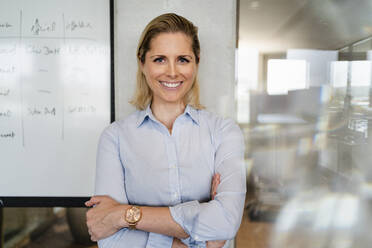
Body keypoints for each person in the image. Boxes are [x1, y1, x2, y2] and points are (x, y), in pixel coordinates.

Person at [85, 13, 246, 248]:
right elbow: (109, 238)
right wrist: (199, 234)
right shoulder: (115, 138)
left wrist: (124, 215)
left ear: (197, 62)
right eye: (160, 59)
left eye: (183, 59)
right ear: (142, 63)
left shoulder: (224, 132)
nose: (172, 72)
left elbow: (227, 222)